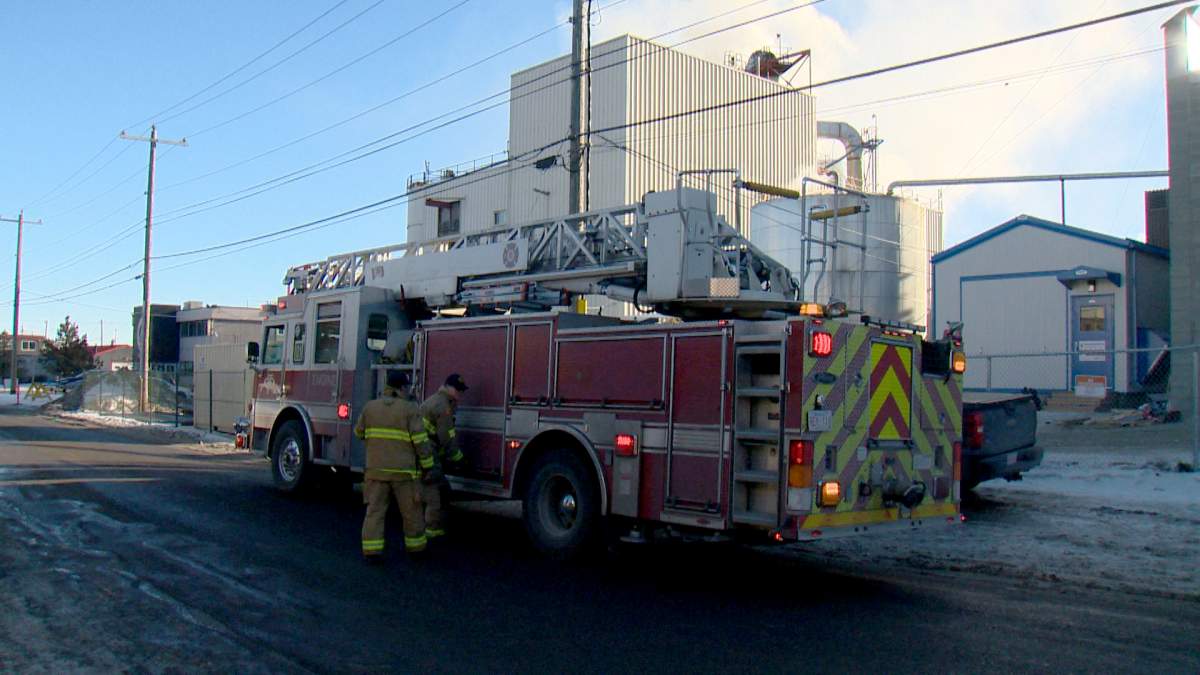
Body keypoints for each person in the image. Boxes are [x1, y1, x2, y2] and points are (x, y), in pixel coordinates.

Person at [353, 369, 435, 563]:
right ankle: (416, 550)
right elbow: (421, 442)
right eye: (407, 387)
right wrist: (428, 466)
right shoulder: (410, 409)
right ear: (401, 388)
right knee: (412, 512)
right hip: (403, 473)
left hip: (375, 471)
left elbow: (359, 433)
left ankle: (371, 551)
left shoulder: (370, 407)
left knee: (374, 512)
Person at [419, 373, 468, 539]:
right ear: (448, 387)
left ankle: (429, 526)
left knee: (432, 488)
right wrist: (459, 459)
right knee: (437, 490)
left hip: (423, 450)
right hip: (427, 452)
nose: (459, 394)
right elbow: (446, 437)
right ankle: (433, 529)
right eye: (457, 390)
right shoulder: (443, 406)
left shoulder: (438, 400)